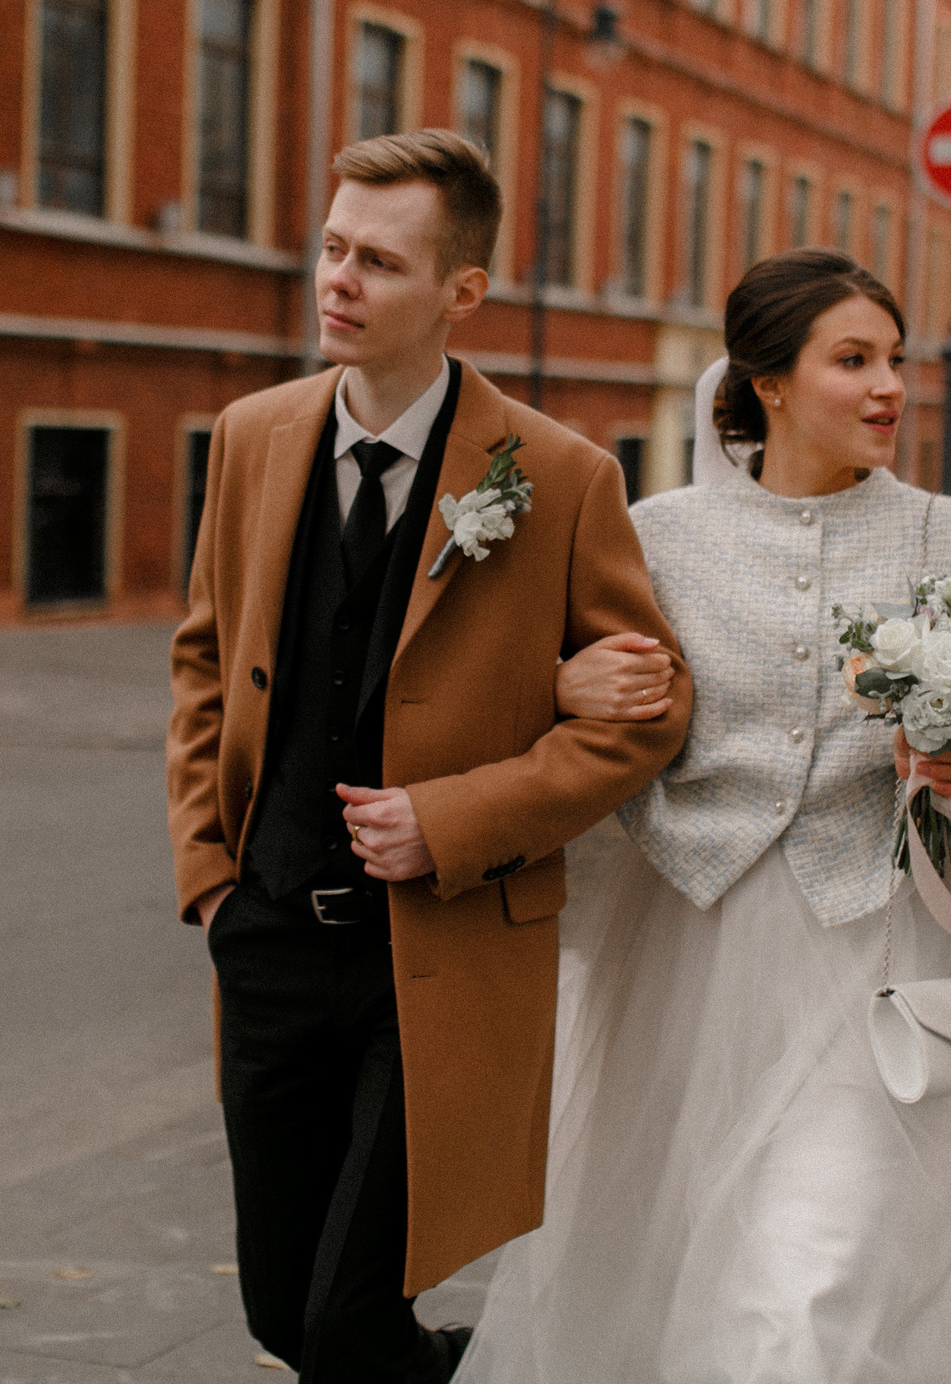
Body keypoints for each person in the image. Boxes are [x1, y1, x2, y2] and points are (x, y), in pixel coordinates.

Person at [456, 252, 951, 1384]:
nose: (888, 385)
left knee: (811, 1285)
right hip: (687, 956)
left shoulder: (948, 536)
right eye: (853, 359)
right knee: (663, 1265)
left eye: (894, 358)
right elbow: (574, 710)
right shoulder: (657, 535)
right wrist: (565, 683)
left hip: (867, 956)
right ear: (768, 382)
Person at [166, 130, 691, 1384]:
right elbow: (204, 657)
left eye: (380, 262)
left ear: (463, 291)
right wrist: (209, 875)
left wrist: (453, 819)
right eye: (332, 248)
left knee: (343, 1321)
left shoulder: (558, 476)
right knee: (281, 1319)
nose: (338, 281)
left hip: (438, 954)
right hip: (270, 931)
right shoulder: (250, 435)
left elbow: (646, 711)